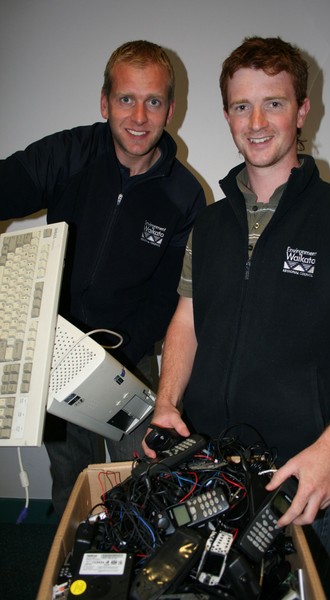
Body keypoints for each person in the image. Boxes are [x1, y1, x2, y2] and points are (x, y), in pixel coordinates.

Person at [142, 36, 330, 557]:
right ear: (228, 116)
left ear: (301, 111)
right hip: (207, 469)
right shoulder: (209, 225)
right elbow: (186, 323)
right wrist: (166, 404)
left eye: (274, 103)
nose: (256, 122)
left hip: (298, 478)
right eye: (242, 106)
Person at [0, 40, 206, 517]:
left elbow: (169, 297)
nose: (139, 116)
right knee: (72, 482)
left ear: (170, 109)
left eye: (153, 101)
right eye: (126, 99)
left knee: (147, 478)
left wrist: (114, 359)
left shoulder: (185, 196)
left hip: (132, 361)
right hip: (56, 349)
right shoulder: (70, 153)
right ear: (104, 102)